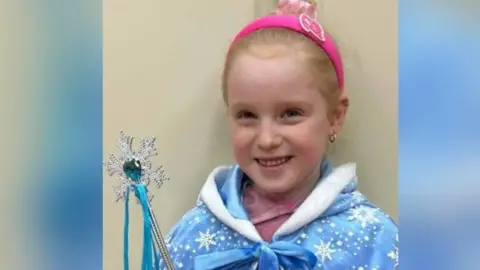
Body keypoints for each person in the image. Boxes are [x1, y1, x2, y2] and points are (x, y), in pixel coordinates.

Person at [159, 0, 398, 268]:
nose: (267, 140)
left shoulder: (373, 239)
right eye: (247, 115)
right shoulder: (189, 238)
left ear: (335, 117)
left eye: (291, 113)